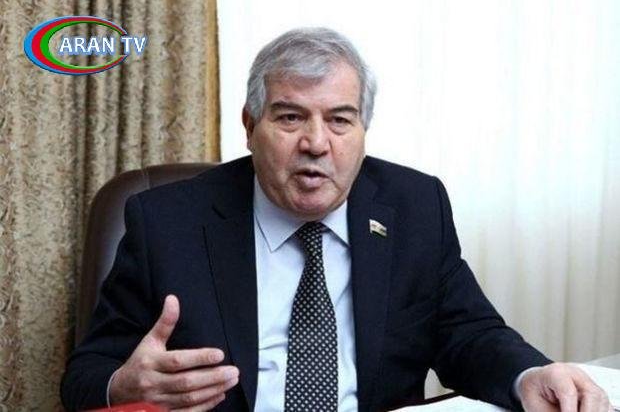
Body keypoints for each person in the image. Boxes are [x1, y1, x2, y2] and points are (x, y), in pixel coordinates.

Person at [61, 28, 611, 412]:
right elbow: (85, 376)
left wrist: (529, 375)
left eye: (340, 120)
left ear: (364, 129)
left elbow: (469, 333)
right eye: (290, 117)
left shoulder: (415, 206)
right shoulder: (167, 222)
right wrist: (122, 386)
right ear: (250, 125)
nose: (316, 143)